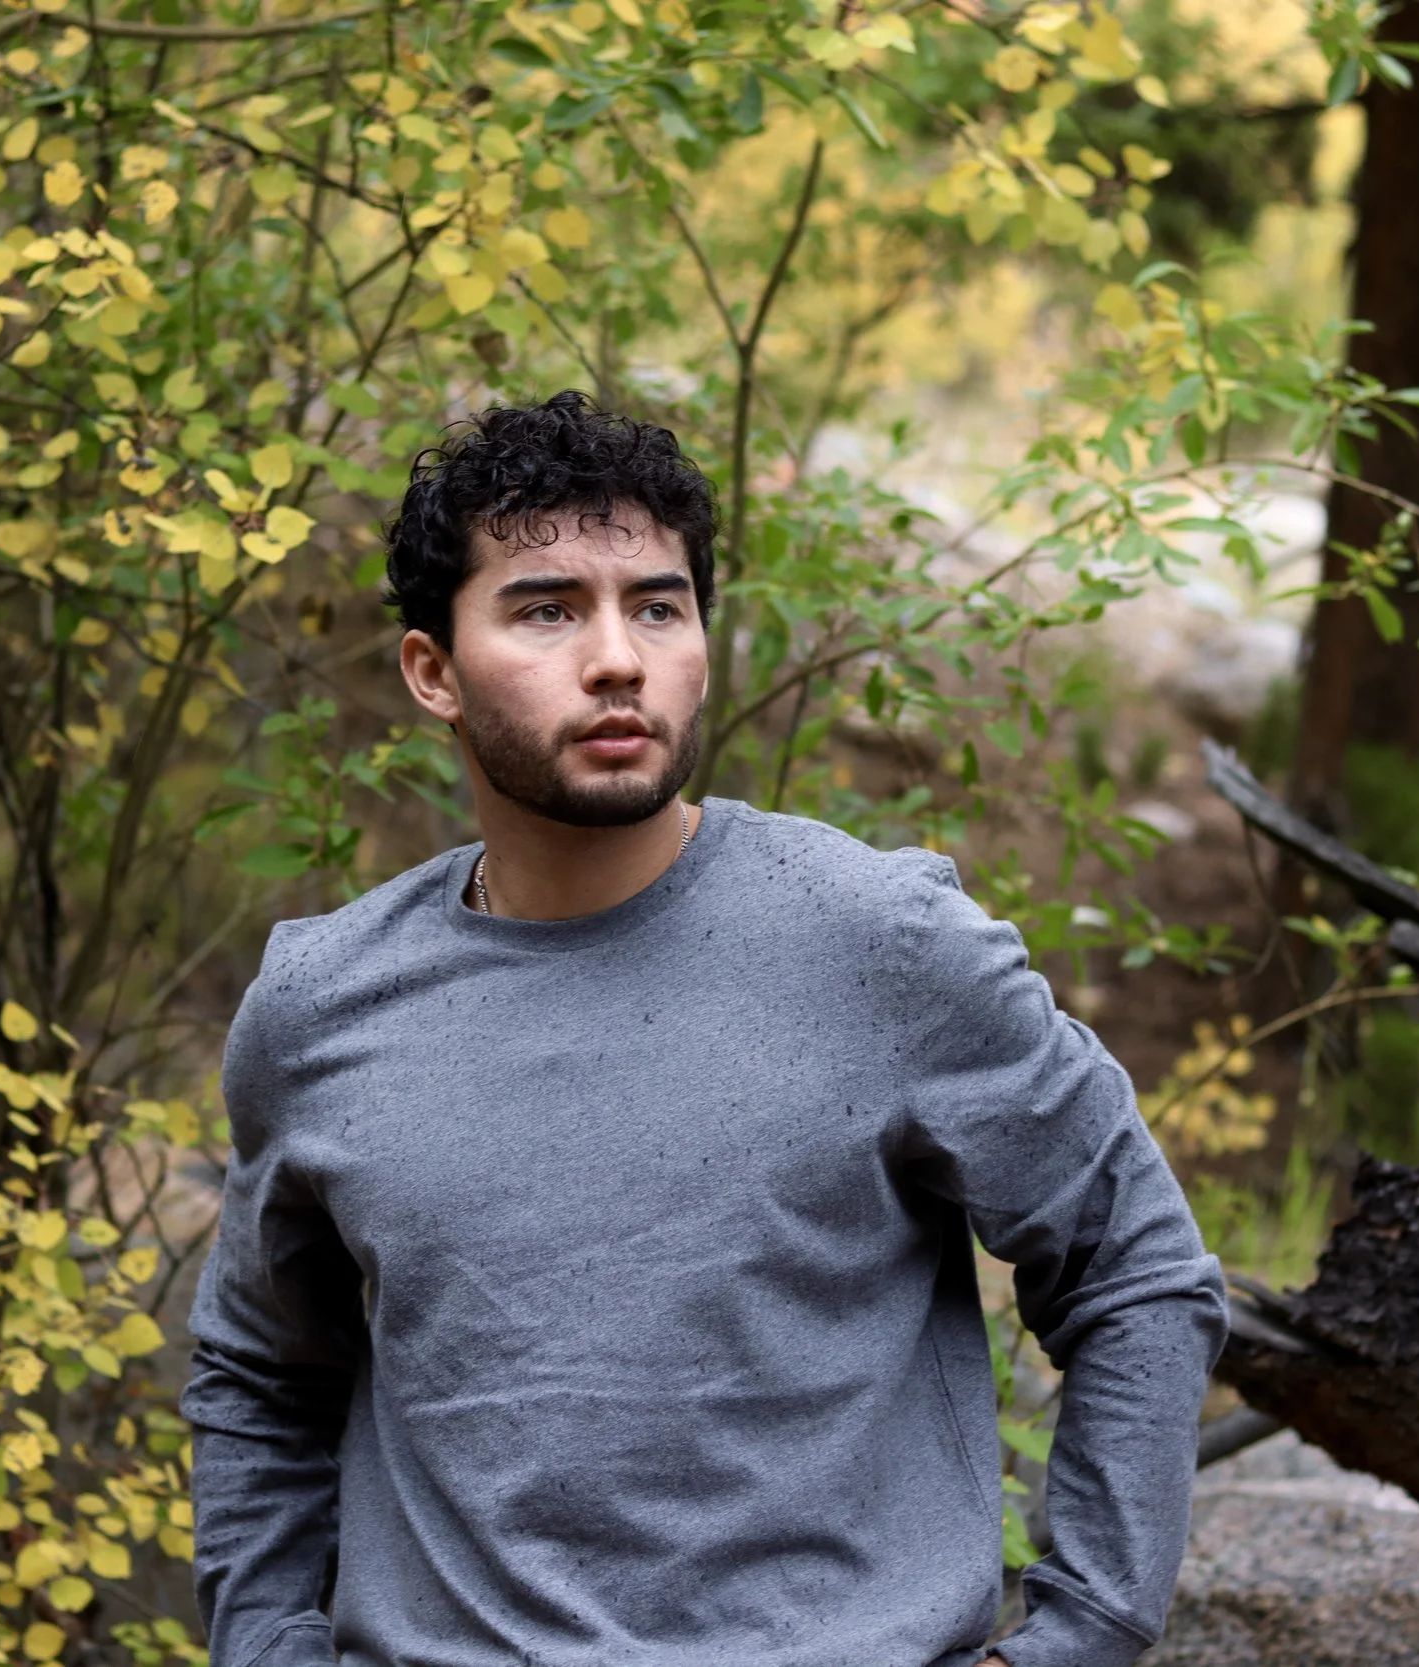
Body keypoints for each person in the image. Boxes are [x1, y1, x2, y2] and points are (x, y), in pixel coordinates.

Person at [182, 391, 1227, 1667]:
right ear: (431, 673)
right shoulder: (320, 1005)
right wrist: (267, 1644)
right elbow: (258, 1373)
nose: (617, 656)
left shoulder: (882, 943)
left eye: (658, 606)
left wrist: (1083, 1633)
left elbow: (1135, 1269)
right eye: (547, 607)